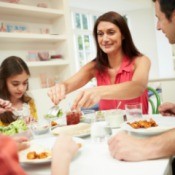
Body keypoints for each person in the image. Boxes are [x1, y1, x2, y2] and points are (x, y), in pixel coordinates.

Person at [108, 0, 175, 162]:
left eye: (159, 18)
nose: (158, 26)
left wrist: (144, 147)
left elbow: (137, 86)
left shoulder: (140, 60)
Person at [48, 11, 150, 114]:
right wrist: (60, 88)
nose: (104, 39)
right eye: (100, 34)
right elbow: (69, 84)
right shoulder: (95, 66)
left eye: (111, 32)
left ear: (123, 34)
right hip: (108, 128)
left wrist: (99, 91)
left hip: (137, 126)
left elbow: (138, 87)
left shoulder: (141, 61)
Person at [0, 56, 37, 126]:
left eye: (25, 83)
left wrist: (32, 123)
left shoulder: (30, 103)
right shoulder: (1, 107)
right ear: (4, 82)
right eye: (15, 84)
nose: (21, 88)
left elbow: (36, 128)